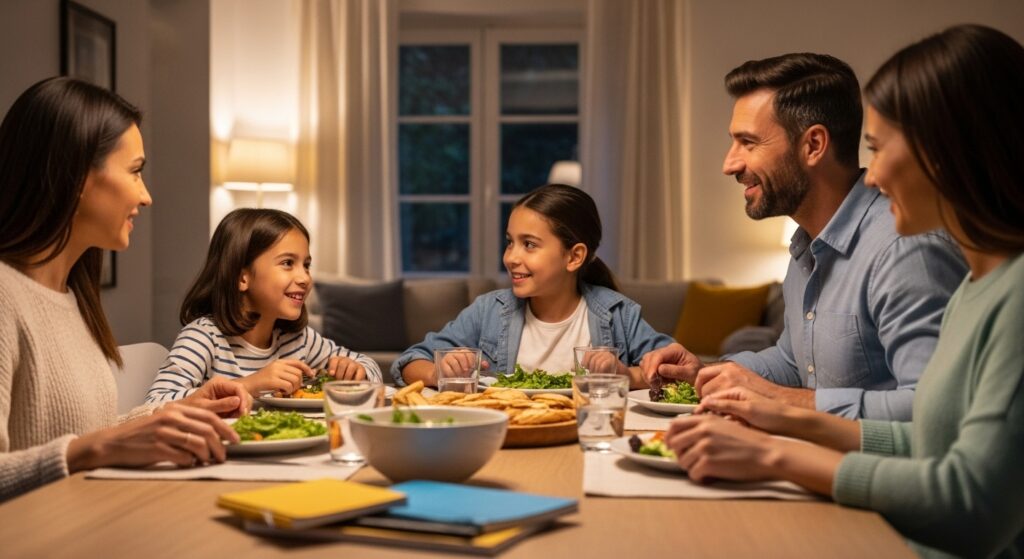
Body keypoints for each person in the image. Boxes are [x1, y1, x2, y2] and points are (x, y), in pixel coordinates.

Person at [664, 24, 1024, 558]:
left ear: (945, 153)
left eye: (879, 150)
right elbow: (930, 438)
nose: (872, 177)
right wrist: (765, 407)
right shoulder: (977, 286)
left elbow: (968, 500)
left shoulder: (936, 263)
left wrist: (774, 450)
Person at [641, 52, 967, 420]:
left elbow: (935, 410)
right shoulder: (806, 248)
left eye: (748, 142)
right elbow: (796, 362)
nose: (729, 163)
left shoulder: (905, 251)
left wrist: (784, 401)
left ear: (813, 145)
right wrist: (704, 374)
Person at [0, 77, 251, 502]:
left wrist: (175, 411)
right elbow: (85, 448)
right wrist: (98, 449)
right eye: (135, 171)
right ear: (75, 176)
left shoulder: (71, 296)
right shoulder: (6, 298)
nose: (146, 196)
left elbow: (81, 436)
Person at [393, 184, 673, 387]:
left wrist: (627, 375)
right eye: (510, 242)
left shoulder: (618, 314)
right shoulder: (488, 311)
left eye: (529, 245)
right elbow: (409, 361)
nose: (511, 257)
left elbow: (674, 370)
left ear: (574, 256)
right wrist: (437, 371)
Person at [145, 209, 383, 403]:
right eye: (288, 263)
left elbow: (372, 368)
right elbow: (157, 404)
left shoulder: (297, 340)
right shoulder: (204, 338)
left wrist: (355, 371)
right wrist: (249, 385)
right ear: (242, 277)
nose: (305, 278)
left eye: (306, 265)